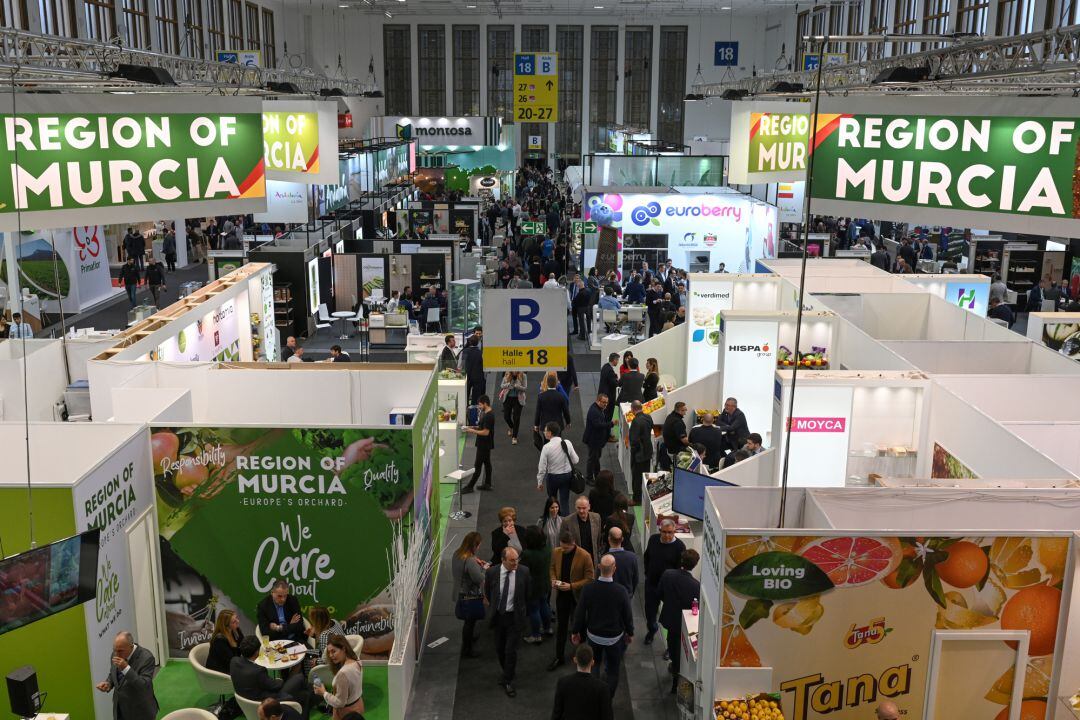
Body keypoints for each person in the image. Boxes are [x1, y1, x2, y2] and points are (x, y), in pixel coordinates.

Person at [572, 554, 634, 697]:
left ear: (599, 567)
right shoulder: (621, 591)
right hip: (614, 638)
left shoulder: (588, 589)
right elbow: (627, 616)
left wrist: (575, 631)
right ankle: (607, 697)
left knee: (593, 664)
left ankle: (593, 696)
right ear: (615, 569)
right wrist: (629, 633)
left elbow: (580, 613)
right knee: (613, 670)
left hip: (593, 636)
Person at [484, 547, 531, 697]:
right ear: (503, 560)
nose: (515, 562)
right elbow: (489, 592)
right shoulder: (492, 573)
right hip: (498, 617)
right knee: (499, 648)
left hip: (514, 618)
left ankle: (509, 680)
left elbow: (527, 594)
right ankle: (507, 672)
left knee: (510, 650)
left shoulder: (524, 572)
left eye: (517, 559)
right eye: (512, 560)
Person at [548, 529, 596, 671]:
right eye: (561, 546)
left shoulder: (585, 556)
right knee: (561, 626)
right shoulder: (556, 551)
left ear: (573, 543)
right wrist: (553, 580)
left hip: (578, 597)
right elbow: (551, 568)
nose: (563, 550)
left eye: (566, 548)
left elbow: (590, 579)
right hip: (562, 596)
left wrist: (571, 586)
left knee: (579, 626)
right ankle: (559, 656)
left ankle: (581, 658)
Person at [229, 636, 309, 715]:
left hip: (246, 701)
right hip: (267, 702)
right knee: (300, 678)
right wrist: (280, 680)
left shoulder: (234, 661)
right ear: (257, 652)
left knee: (303, 693)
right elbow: (275, 686)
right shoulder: (258, 671)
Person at [659, 549, 701, 694]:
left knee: (673, 647)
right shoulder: (696, 586)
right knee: (682, 654)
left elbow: (661, 594)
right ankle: (678, 678)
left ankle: (675, 678)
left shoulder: (667, 574)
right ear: (695, 565)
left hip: (671, 620)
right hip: (686, 626)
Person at [95, 631, 159, 720]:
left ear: (131, 647)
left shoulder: (147, 658)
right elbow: (113, 673)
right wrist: (108, 683)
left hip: (140, 712)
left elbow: (144, 685)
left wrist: (126, 668)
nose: (116, 654)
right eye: (114, 650)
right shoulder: (116, 653)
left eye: (120, 651)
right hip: (120, 710)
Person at [643, 520, 686, 644]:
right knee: (649, 612)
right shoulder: (653, 540)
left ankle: (669, 645)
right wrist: (647, 573)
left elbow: (679, 570)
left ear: (675, 532)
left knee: (670, 617)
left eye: (670, 533)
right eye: (664, 532)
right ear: (660, 530)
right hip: (652, 584)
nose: (667, 535)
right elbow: (647, 557)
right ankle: (652, 630)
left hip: (668, 588)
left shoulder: (680, 547)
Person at [551, 644, 613, 720]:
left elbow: (556, 714)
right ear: (592, 662)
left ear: (575, 660)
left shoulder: (563, 683)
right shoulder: (603, 688)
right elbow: (607, 717)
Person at [451, 532, 487, 659]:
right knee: (470, 622)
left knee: (468, 620)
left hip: (459, 591)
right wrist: (483, 569)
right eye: (478, 546)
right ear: (474, 546)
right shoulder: (471, 561)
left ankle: (469, 640)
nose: (479, 548)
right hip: (469, 595)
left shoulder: (457, 553)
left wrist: (475, 562)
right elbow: (479, 579)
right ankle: (467, 649)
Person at [314, 634, 364, 718]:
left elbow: (340, 703)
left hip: (346, 713)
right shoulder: (357, 661)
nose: (330, 655)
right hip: (358, 706)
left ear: (343, 649)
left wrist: (323, 692)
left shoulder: (343, 673)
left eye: (333, 651)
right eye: (329, 652)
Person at [537, 421, 579, 515]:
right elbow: (576, 460)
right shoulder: (567, 443)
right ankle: (565, 523)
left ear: (550, 433)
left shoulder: (546, 447)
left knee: (552, 502)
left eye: (545, 431)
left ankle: (554, 521)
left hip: (553, 477)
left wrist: (540, 482)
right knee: (564, 501)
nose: (544, 432)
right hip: (567, 476)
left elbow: (542, 467)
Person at [521, 525, 553, 643]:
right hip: (545, 582)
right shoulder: (548, 549)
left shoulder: (527, 554)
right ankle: (547, 628)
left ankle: (536, 635)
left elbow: (523, 570)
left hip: (533, 586)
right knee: (544, 605)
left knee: (534, 609)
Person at [461, 394, 495, 493]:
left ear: (485, 404)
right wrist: (470, 427)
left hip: (484, 444)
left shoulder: (489, 416)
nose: (479, 407)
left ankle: (470, 486)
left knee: (477, 465)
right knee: (487, 463)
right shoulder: (485, 413)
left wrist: (472, 431)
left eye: (480, 405)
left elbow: (485, 432)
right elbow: (481, 427)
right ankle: (487, 484)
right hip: (484, 443)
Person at [256, 580, 306, 644]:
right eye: (279, 596)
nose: (283, 599)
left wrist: (278, 628)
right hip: (276, 643)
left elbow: (299, 626)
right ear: (272, 592)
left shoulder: (292, 600)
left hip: (295, 640)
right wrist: (290, 626)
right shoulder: (263, 606)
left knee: (315, 652)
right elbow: (266, 634)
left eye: (285, 596)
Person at [559, 496, 603, 563]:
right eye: (579, 508)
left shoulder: (597, 517)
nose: (581, 511)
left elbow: (598, 539)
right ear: (575, 507)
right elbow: (562, 542)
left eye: (584, 508)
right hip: (576, 560)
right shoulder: (567, 521)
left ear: (589, 507)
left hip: (593, 559)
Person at [583, 394, 614, 484]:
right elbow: (598, 425)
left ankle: (597, 475)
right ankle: (589, 478)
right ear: (598, 401)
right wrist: (611, 424)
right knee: (592, 459)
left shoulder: (598, 409)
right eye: (603, 402)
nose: (605, 404)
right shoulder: (594, 412)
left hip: (597, 439)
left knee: (596, 458)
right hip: (593, 440)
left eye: (606, 403)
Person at [628, 401, 654, 505]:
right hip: (647, 451)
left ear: (632, 409)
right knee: (645, 475)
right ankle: (645, 496)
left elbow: (633, 440)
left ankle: (636, 499)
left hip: (639, 454)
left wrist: (633, 451)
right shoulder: (648, 417)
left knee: (637, 477)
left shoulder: (636, 421)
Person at [206, 608, 244, 673]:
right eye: (234, 622)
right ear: (226, 625)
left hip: (232, 664)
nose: (238, 621)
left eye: (236, 618)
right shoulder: (220, 640)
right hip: (219, 672)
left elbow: (244, 645)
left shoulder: (236, 630)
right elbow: (231, 661)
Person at [606, 526, 639, 598]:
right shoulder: (632, 557)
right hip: (627, 595)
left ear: (609, 539)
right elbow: (635, 579)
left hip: (610, 597)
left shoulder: (604, 559)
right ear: (622, 539)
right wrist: (630, 593)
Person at [500, 371, 527, 445]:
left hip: (518, 399)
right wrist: (508, 384)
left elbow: (525, 388)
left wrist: (517, 386)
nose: (514, 371)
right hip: (508, 398)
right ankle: (511, 426)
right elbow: (502, 385)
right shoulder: (507, 374)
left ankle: (514, 437)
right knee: (506, 416)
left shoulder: (523, 375)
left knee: (516, 418)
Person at [459, 336, 485, 406]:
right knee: (476, 397)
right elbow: (484, 365)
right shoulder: (480, 353)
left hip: (466, 376)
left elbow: (459, 366)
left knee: (465, 395)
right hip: (478, 377)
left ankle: (465, 410)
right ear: (477, 343)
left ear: (469, 342)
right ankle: (474, 413)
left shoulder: (464, 352)